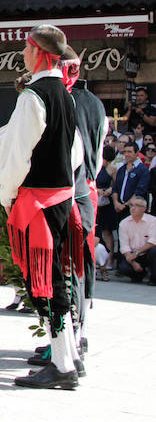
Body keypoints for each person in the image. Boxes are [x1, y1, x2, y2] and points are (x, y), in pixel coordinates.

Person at [0, 24, 83, 389]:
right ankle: (67, 356)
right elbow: (15, 137)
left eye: (26, 47)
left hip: (37, 201)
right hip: (61, 198)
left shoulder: (33, 95)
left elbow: (18, 154)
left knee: (46, 283)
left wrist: (5, 193)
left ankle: (63, 365)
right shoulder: (64, 94)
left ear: (38, 52)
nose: (22, 52)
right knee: (57, 280)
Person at [60, 47, 107, 360]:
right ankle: (82, 330)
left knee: (67, 262)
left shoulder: (64, 101)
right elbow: (100, 153)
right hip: (88, 188)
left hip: (68, 190)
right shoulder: (99, 104)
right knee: (84, 259)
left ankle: (68, 336)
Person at [116, 196, 156, 283]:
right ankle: (139, 274)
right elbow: (124, 246)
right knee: (123, 267)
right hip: (133, 254)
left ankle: (153, 278)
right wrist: (132, 262)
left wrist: (137, 253)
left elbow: (153, 242)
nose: (133, 208)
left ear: (144, 208)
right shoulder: (124, 223)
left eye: (136, 206)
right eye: (131, 205)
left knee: (154, 252)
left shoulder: (152, 221)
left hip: (147, 252)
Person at [112, 142, 149, 216]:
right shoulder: (122, 169)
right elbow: (115, 187)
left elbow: (140, 191)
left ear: (137, 153)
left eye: (129, 152)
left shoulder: (143, 170)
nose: (126, 154)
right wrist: (116, 202)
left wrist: (126, 205)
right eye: (125, 152)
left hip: (135, 209)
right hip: (119, 209)